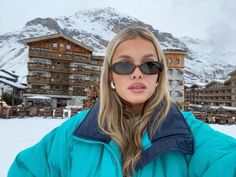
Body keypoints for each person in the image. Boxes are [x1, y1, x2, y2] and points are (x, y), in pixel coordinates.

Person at [8, 27, 236, 177]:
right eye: (125, 65)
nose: (137, 74)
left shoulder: (187, 132)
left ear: (159, 74)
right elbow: (27, 171)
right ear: (110, 74)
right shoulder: (75, 133)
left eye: (149, 65)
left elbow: (227, 160)